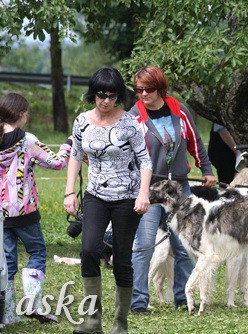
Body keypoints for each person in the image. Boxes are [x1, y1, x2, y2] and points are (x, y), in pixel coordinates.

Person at [64, 68, 152, 334]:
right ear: (94, 94)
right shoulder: (82, 121)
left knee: (122, 260)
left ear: (118, 96)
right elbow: (76, 155)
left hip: (127, 198)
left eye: (112, 96)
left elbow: (145, 161)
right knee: (89, 250)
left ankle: (120, 324)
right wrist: (70, 192)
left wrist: (143, 193)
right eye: (101, 95)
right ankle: (92, 322)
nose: (106, 101)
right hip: (95, 196)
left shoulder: (129, 123)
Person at [128, 65, 216, 315]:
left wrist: (206, 168)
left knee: (183, 246)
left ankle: (182, 298)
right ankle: (138, 302)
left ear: (160, 88)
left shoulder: (178, 110)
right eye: (139, 89)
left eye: (149, 89)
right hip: (150, 189)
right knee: (145, 245)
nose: (143, 94)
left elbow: (195, 141)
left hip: (179, 186)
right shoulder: (134, 116)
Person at [0, 92, 72, 325]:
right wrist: (68, 144)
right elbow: (57, 162)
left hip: (1, 214)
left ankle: (9, 314)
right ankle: (32, 302)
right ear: (21, 114)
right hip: (25, 211)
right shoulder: (27, 140)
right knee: (37, 252)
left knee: (7, 262)